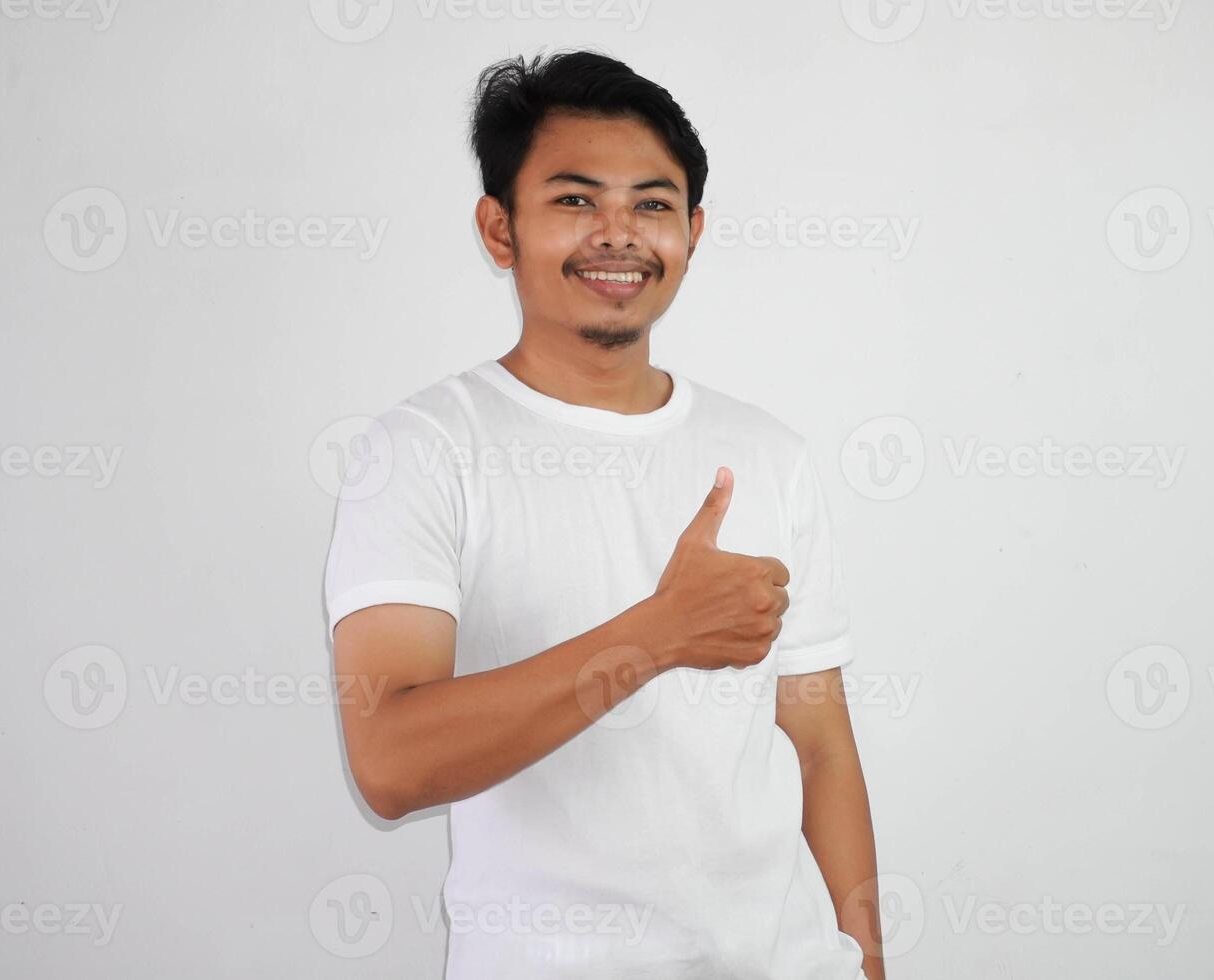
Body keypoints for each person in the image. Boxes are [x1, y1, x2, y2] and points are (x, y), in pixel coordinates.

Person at [322, 48, 883, 980]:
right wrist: (657, 635)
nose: (619, 234)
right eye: (577, 200)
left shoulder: (769, 452)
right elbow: (389, 762)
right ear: (499, 230)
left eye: (652, 205)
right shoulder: (419, 451)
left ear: (693, 232)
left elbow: (820, 744)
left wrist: (864, 961)